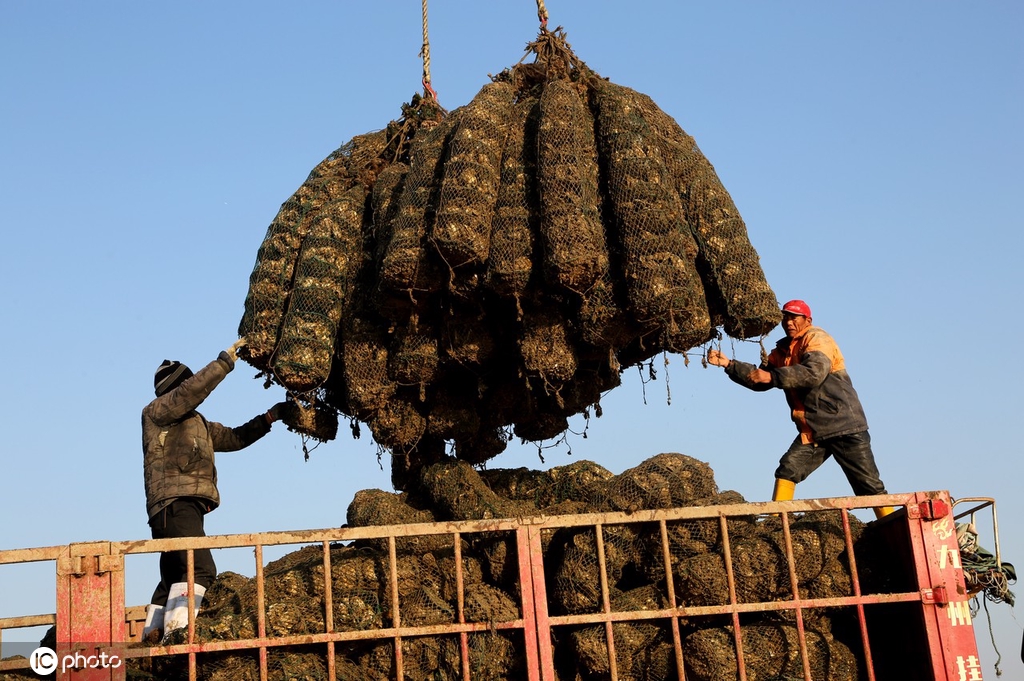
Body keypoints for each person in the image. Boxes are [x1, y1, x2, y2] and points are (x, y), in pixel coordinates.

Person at [141, 338, 289, 643]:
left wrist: (269, 417)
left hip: (183, 509)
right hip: (174, 505)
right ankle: (177, 639)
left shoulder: (199, 424)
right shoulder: (156, 412)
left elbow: (234, 437)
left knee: (173, 577)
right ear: (176, 388)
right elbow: (191, 391)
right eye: (186, 384)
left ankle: (150, 639)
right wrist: (224, 362)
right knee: (201, 569)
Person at [707, 300, 894, 519]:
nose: (788, 322)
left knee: (869, 485)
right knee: (788, 470)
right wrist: (729, 365)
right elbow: (760, 379)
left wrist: (773, 376)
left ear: (807, 320)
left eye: (793, 317)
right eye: (785, 318)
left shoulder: (816, 338)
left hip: (843, 426)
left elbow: (814, 372)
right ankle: (778, 523)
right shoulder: (782, 351)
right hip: (812, 430)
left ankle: (893, 526)